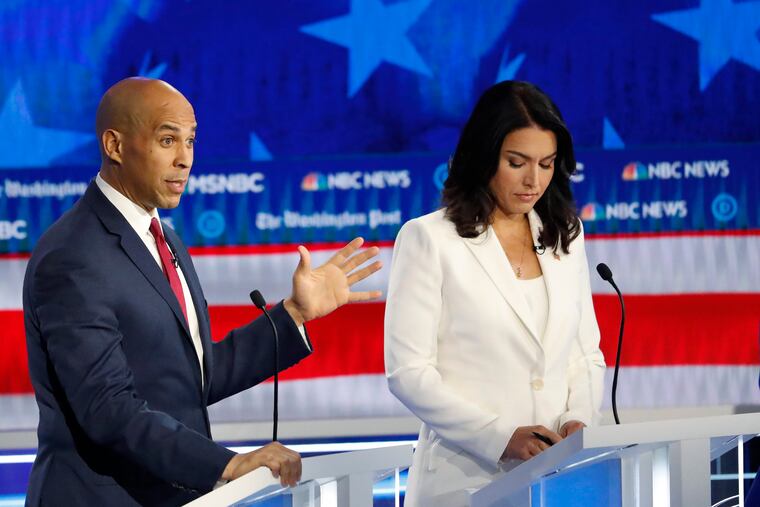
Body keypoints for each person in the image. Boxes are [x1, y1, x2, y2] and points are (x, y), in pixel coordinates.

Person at [23, 77, 382, 506]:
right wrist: (226, 465)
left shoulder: (164, 239)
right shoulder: (74, 256)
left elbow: (189, 377)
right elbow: (107, 409)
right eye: (167, 139)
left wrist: (294, 315)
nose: (184, 159)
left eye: (190, 141)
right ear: (114, 146)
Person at [384, 80, 606, 506]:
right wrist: (500, 437)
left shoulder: (567, 235)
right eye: (516, 162)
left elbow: (585, 353)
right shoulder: (429, 239)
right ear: (484, 156)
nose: (533, 180)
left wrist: (579, 417)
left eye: (546, 164)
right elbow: (408, 373)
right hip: (463, 481)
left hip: (558, 481)